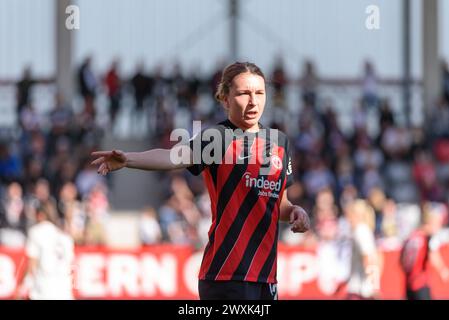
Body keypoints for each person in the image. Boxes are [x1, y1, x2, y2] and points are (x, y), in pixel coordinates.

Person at [91, 62, 310, 300]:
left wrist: (296, 211)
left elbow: (278, 205)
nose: (253, 101)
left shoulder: (279, 142)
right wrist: (128, 159)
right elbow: (172, 157)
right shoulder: (218, 138)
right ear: (225, 99)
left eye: (259, 93)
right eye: (243, 93)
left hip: (266, 278)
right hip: (226, 276)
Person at [15, 204, 75, 300]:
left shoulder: (36, 232)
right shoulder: (66, 238)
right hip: (65, 293)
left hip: (44, 291)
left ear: (40, 215)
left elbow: (31, 266)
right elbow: (71, 268)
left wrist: (21, 287)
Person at [400, 202, 449, 300]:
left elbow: (401, 259)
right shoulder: (427, 238)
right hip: (420, 283)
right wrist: (443, 270)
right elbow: (433, 254)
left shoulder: (412, 236)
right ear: (430, 222)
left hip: (408, 284)